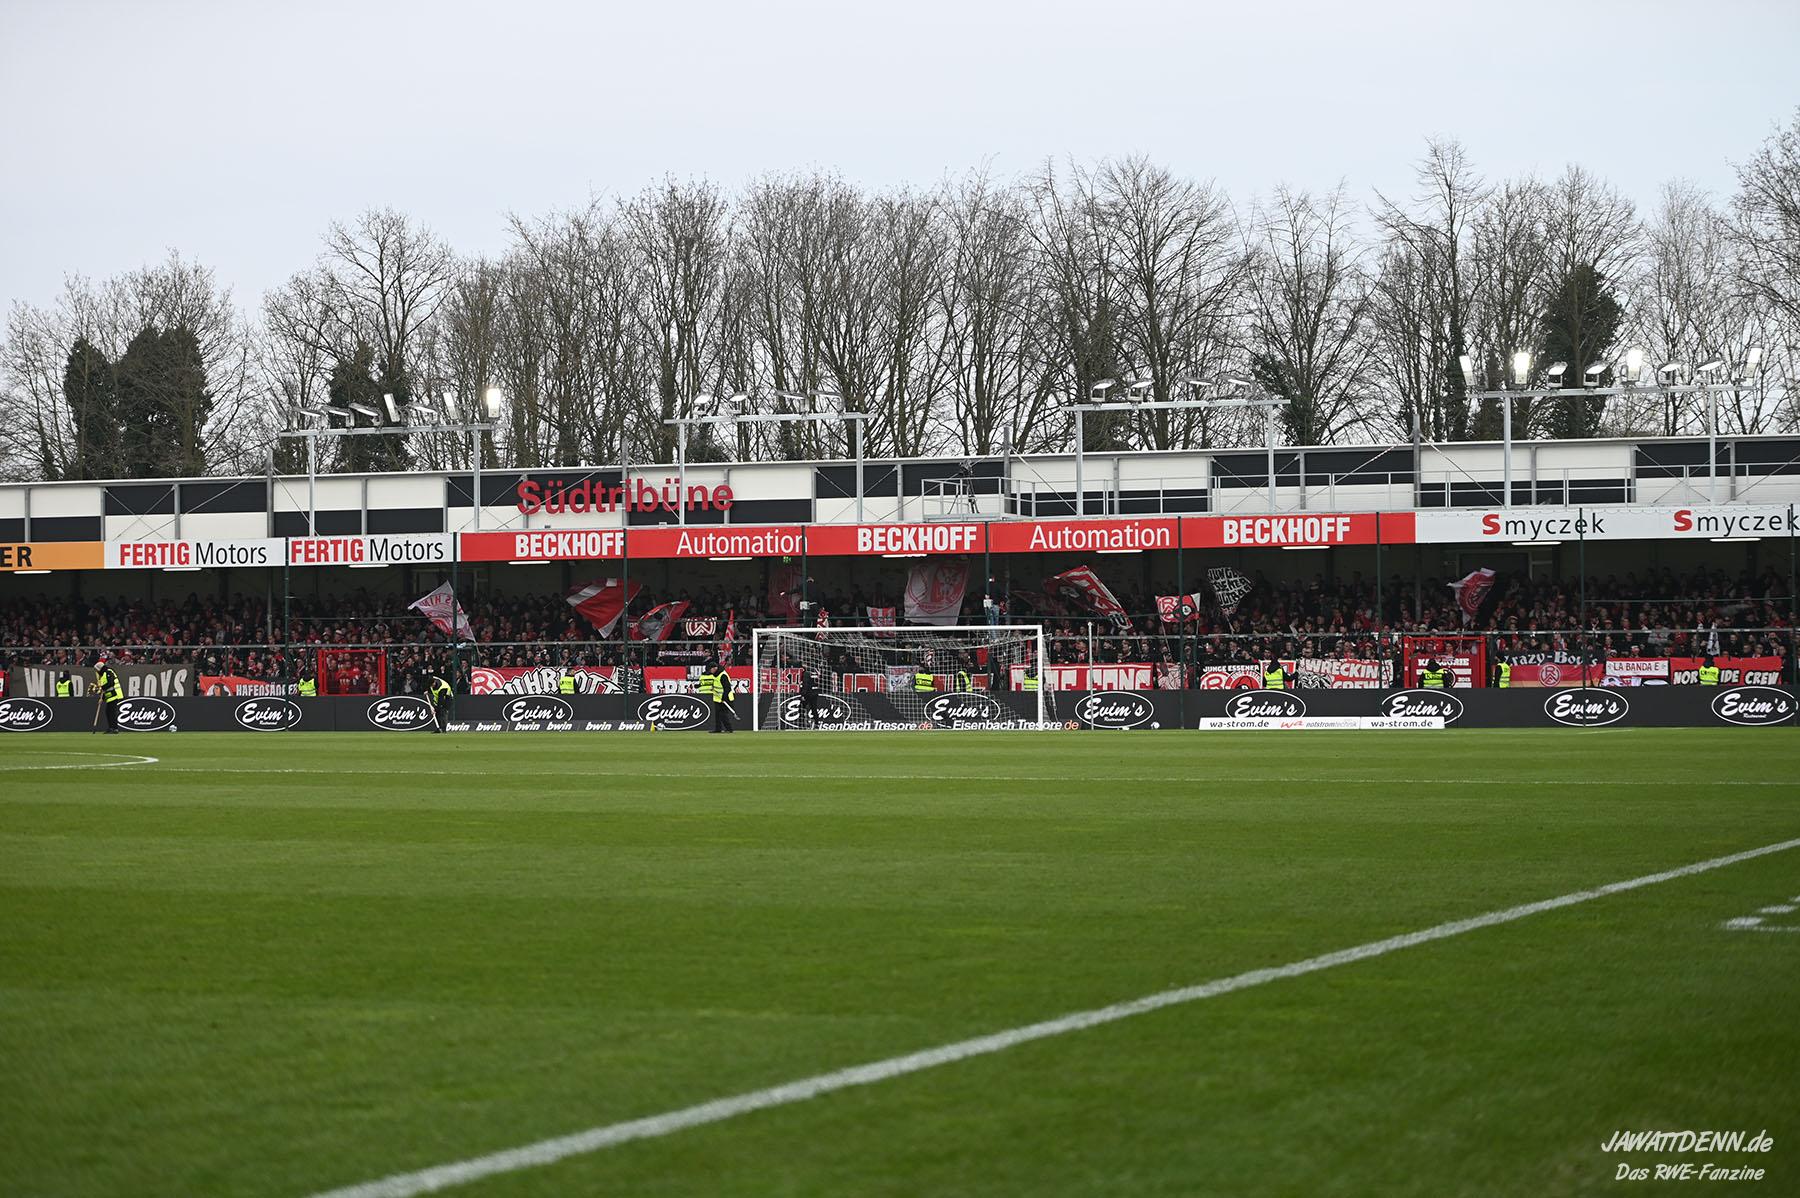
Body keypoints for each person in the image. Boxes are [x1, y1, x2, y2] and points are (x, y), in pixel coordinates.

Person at [93, 654, 124, 733]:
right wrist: (102, 699)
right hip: (109, 696)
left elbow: (110, 683)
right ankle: (111, 728)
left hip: (114, 694)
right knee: (108, 712)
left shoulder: (108, 672)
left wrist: (102, 687)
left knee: (111, 712)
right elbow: (105, 690)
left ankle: (114, 728)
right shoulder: (103, 676)